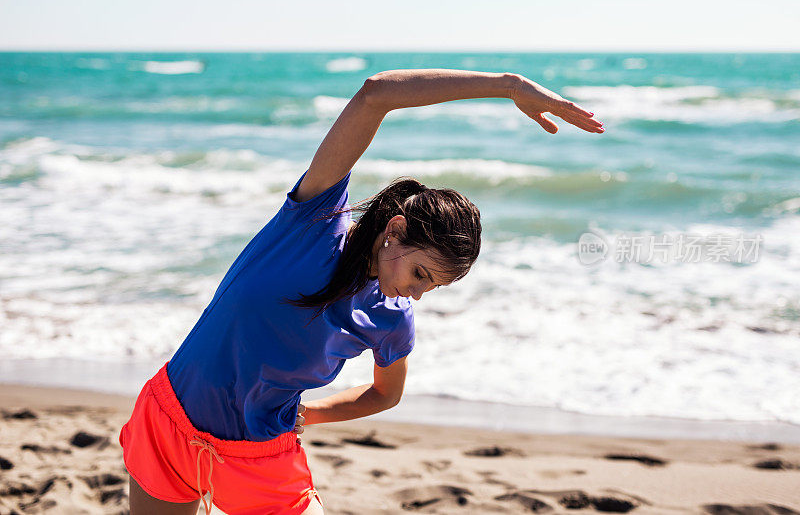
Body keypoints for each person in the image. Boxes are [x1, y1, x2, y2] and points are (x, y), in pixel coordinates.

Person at [118, 68, 604, 515]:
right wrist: (509, 86)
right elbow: (375, 95)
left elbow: (383, 394)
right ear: (395, 230)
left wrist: (307, 413)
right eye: (420, 274)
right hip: (168, 422)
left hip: (259, 455)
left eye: (431, 287)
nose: (415, 294)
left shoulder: (391, 318)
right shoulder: (312, 221)